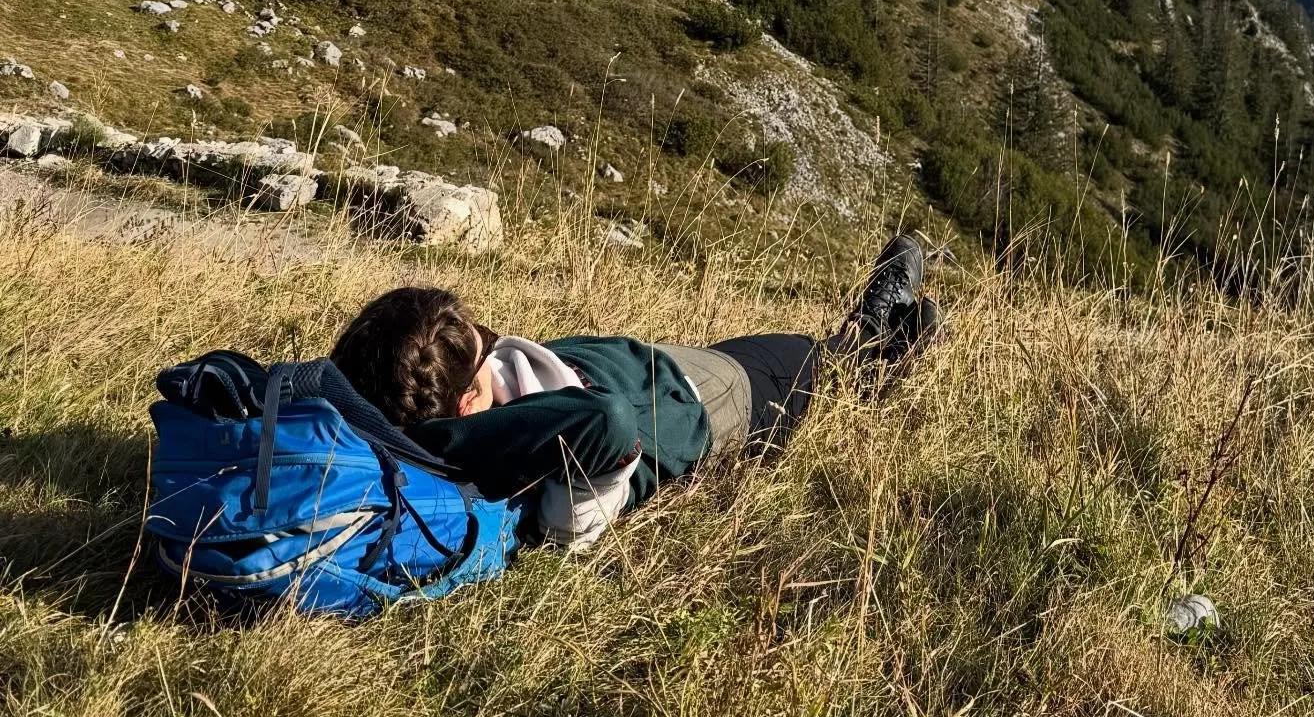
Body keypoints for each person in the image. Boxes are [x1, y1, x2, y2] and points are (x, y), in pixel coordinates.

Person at [329, 235, 938, 546]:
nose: (497, 349)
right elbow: (608, 423)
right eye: (488, 353)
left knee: (805, 352)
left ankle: (882, 333)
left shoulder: (397, 403)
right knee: (819, 361)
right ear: (465, 408)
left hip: (652, 365)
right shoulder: (517, 446)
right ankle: (877, 337)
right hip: (705, 397)